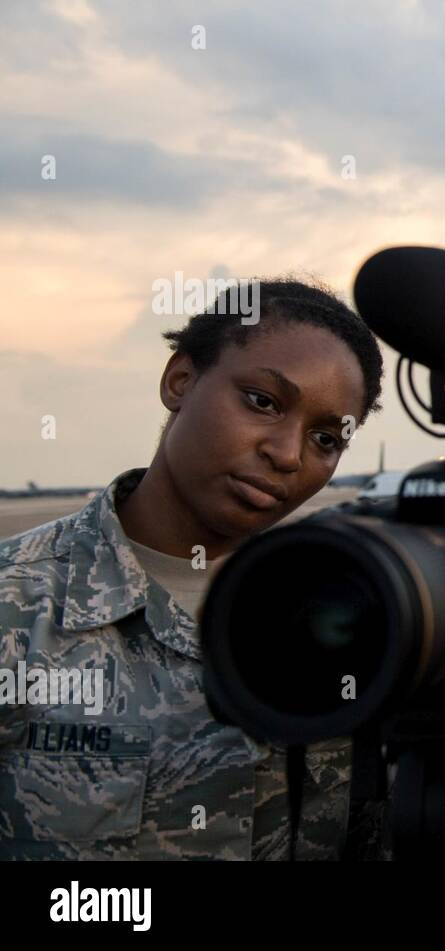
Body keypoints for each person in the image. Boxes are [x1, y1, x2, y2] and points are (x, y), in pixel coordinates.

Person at [0, 280, 384, 859]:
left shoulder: (350, 620)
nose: (287, 453)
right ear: (180, 380)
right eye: (262, 401)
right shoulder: (16, 605)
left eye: (326, 439)